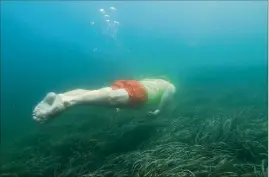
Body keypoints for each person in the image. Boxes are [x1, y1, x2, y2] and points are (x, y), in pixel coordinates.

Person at [32, 79, 176, 124]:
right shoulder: (169, 85)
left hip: (131, 83)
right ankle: (67, 103)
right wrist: (158, 111)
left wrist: (120, 108)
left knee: (101, 92)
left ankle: (61, 96)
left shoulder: (153, 79)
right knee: (111, 98)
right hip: (142, 93)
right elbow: (167, 96)